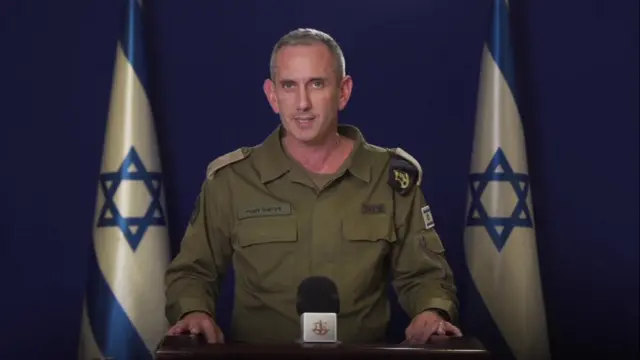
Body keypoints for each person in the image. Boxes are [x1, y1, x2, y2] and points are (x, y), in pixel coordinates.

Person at [164, 28, 462, 345]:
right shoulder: (232, 181)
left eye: (316, 84)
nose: (302, 103)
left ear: (343, 91)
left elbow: (424, 274)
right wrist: (193, 312)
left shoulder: (390, 178)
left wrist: (432, 310)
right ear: (272, 95)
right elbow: (194, 272)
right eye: (289, 86)